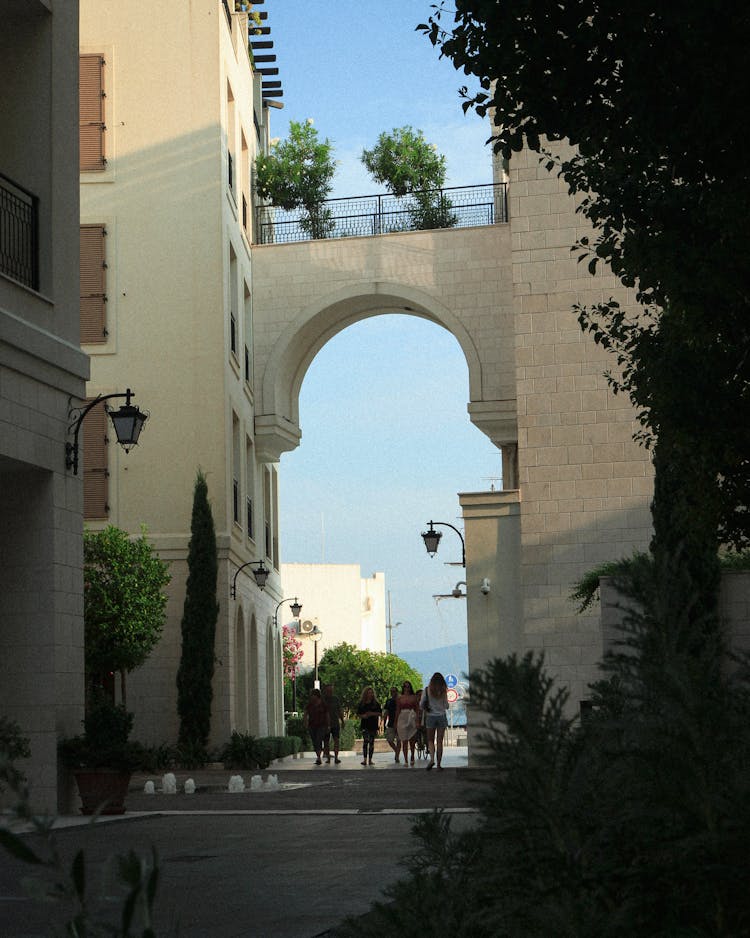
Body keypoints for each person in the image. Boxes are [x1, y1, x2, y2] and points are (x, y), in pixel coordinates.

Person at [421, 672, 449, 770]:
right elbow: (446, 705)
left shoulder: (427, 690)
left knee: (430, 740)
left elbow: (421, 704)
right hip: (441, 716)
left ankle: (432, 759)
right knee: (440, 741)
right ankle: (439, 764)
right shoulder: (443, 691)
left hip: (430, 716)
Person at [302, 688, 329, 766]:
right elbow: (305, 713)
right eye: (311, 696)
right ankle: (318, 756)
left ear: (317, 696)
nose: (312, 697)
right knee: (315, 742)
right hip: (312, 725)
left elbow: (327, 715)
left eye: (313, 695)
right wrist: (305, 723)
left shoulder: (323, 704)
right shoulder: (310, 704)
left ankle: (320, 756)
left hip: (322, 725)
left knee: (318, 739)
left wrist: (328, 725)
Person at [395, 680, 420, 765]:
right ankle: (405, 760)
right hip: (402, 718)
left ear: (410, 687)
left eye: (408, 686)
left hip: (412, 717)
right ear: (403, 688)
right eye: (405, 686)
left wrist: (417, 720)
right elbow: (397, 710)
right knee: (404, 740)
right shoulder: (399, 698)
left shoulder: (414, 697)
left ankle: (412, 755)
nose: (406, 688)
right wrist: (395, 722)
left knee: (412, 740)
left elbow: (417, 709)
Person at [356, 686, 382, 766]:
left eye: (371, 693)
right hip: (365, 725)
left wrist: (372, 714)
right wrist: (363, 716)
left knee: (371, 742)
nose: (370, 694)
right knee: (365, 741)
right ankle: (364, 759)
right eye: (368, 693)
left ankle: (370, 760)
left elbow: (380, 713)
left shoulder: (376, 704)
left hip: (373, 725)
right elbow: (358, 714)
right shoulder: (361, 704)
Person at [322, 682, 344, 764]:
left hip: (335, 723)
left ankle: (336, 757)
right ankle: (328, 757)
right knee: (326, 741)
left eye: (331, 690)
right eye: (328, 690)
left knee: (336, 740)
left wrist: (342, 720)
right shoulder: (323, 700)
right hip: (325, 724)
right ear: (325, 691)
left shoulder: (336, 699)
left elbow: (340, 710)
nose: (330, 692)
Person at [383, 685, 400, 762]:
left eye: (394, 691)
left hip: (400, 723)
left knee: (399, 740)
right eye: (391, 691)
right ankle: (396, 751)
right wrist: (383, 723)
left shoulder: (400, 700)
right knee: (390, 740)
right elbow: (386, 712)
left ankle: (397, 756)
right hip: (391, 723)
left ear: (397, 692)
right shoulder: (388, 701)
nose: (392, 693)